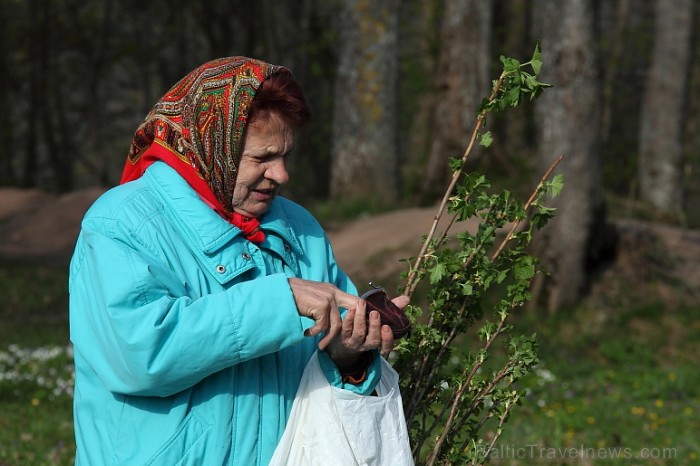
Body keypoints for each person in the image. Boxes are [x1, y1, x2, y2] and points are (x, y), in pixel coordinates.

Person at [68, 57, 409, 465]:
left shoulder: (300, 230)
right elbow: (141, 357)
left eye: (286, 155)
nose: (280, 174)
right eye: (261, 158)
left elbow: (328, 371)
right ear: (211, 148)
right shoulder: (122, 225)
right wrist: (279, 303)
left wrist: (349, 353)